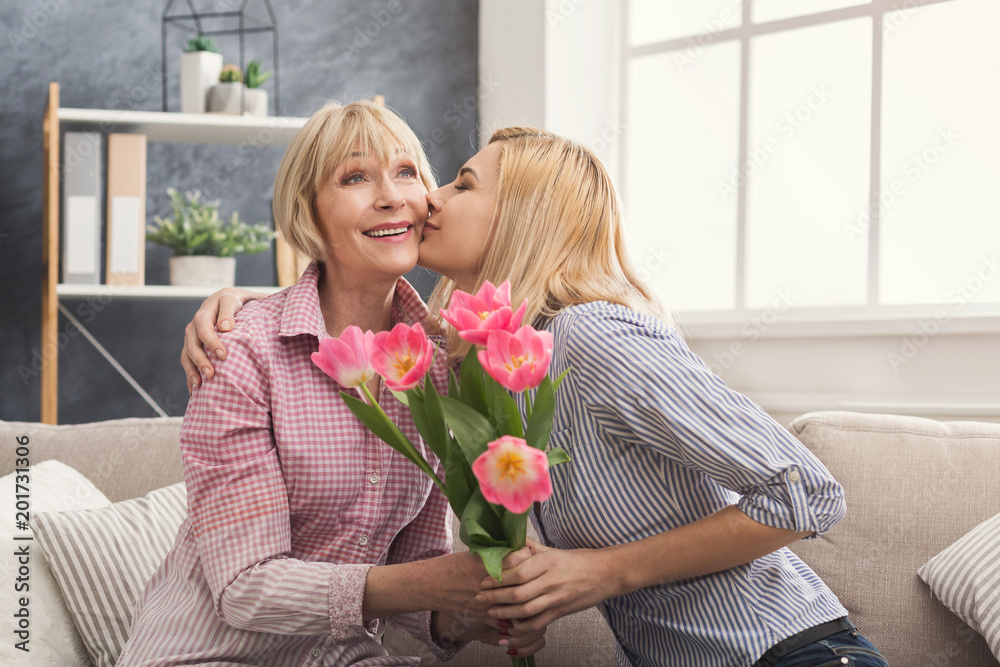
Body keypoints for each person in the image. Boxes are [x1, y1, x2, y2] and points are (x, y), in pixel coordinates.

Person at [182, 126, 889, 667]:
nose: (429, 198)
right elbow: (341, 301)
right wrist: (250, 306)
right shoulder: (478, 367)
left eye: (459, 184)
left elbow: (808, 492)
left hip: (794, 653)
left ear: (522, 216)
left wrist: (599, 572)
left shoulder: (592, 335)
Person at [119, 101, 544, 667]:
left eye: (406, 172)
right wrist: (437, 582)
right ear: (309, 213)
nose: (391, 196)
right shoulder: (240, 350)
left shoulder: (441, 367)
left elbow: (413, 569)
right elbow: (244, 587)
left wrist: (475, 610)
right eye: (355, 177)